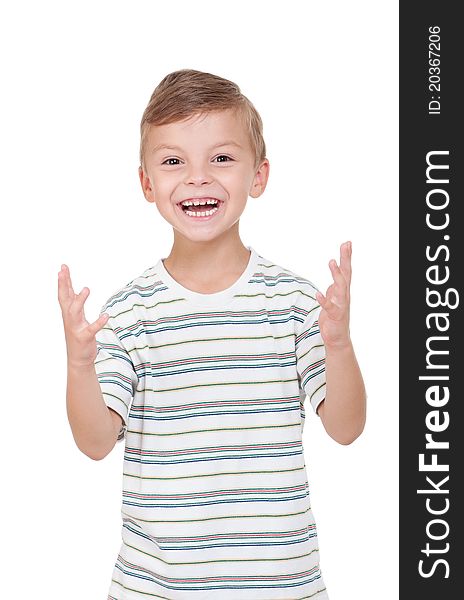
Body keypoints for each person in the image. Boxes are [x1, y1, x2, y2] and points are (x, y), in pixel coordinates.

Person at [58, 68, 366, 599]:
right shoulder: (129, 311)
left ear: (259, 175)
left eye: (221, 158)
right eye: (174, 161)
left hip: (280, 586)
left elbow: (346, 427)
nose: (198, 177)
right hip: (156, 588)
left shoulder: (295, 301)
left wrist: (338, 345)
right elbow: (94, 442)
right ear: (147, 183)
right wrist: (80, 366)